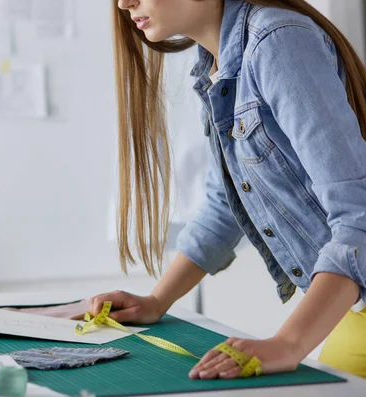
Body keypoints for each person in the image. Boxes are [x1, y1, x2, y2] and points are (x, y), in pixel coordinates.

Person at [91, 0, 366, 380]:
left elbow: (359, 216)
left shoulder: (277, 41)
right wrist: (157, 301)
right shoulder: (218, 64)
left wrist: (287, 344)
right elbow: (226, 203)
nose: (124, 3)